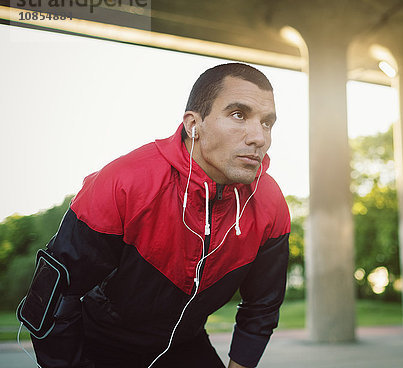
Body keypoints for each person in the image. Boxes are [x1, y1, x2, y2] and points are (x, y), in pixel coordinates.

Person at [20, 63, 290, 368]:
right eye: (238, 115)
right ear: (193, 124)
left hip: (184, 342)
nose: (259, 137)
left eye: (267, 123)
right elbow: (53, 298)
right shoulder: (124, 182)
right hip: (102, 343)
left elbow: (262, 306)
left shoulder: (269, 201)